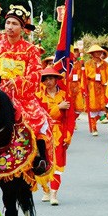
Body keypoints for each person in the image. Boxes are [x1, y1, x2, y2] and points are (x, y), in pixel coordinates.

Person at [0, 3, 53, 175]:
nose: (10, 27)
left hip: (22, 97)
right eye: (8, 23)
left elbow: (35, 75)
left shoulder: (31, 50)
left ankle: (40, 158)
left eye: (14, 24)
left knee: (39, 119)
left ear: (22, 27)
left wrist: (17, 82)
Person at [36, 67, 72, 205]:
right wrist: (58, 107)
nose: (48, 81)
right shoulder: (38, 96)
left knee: (57, 165)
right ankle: (45, 190)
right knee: (43, 162)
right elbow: (41, 115)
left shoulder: (65, 95)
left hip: (59, 133)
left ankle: (53, 194)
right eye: (45, 79)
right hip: (43, 134)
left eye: (51, 78)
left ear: (56, 79)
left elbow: (70, 118)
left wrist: (68, 136)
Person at [83, 44, 108, 136]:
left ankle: (98, 120)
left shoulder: (105, 64)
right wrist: (84, 89)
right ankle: (94, 128)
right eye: (96, 52)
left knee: (103, 107)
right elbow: (84, 76)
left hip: (102, 87)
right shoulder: (88, 64)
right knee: (93, 107)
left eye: (99, 51)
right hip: (92, 87)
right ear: (92, 53)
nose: (98, 53)